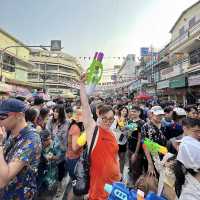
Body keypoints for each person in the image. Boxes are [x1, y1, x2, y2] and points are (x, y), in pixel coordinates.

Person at [80, 74, 121, 200]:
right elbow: (85, 107)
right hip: (99, 189)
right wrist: (82, 85)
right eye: (105, 118)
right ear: (99, 116)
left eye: (111, 119)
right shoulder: (94, 131)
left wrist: (119, 175)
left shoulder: (113, 134)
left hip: (115, 185)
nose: (108, 121)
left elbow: (115, 157)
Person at [0, 98, 41, 200]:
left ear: (18, 115)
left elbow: (3, 180)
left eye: (2, 117)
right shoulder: (10, 132)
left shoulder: (31, 139)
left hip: (19, 195)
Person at [46, 104, 70, 195]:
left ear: (61, 113)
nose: (55, 113)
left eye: (57, 112)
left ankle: (59, 185)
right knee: (51, 167)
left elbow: (68, 136)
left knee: (60, 168)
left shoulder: (67, 122)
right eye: (54, 111)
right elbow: (48, 134)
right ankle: (51, 183)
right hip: (52, 149)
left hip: (62, 150)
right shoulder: (50, 121)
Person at [174, 118, 200, 200]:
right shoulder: (190, 196)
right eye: (196, 131)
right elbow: (144, 141)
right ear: (185, 128)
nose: (199, 134)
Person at [141, 106, 167, 176]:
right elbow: (145, 145)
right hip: (151, 158)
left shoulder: (164, 125)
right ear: (151, 114)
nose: (160, 116)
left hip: (163, 157)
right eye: (158, 115)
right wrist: (150, 163)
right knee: (153, 180)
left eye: (161, 115)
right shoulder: (146, 126)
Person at [65, 107, 84, 200]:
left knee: (76, 185)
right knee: (77, 186)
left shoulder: (74, 126)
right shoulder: (76, 128)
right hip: (74, 159)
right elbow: (75, 148)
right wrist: (85, 137)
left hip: (72, 158)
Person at [127, 105, 146, 184]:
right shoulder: (130, 121)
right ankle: (132, 184)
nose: (132, 113)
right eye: (132, 111)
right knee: (132, 168)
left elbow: (140, 139)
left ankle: (137, 186)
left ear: (139, 112)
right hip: (130, 148)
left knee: (137, 170)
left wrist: (136, 153)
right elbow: (130, 134)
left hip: (137, 151)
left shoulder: (141, 123)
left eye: (135, 112)